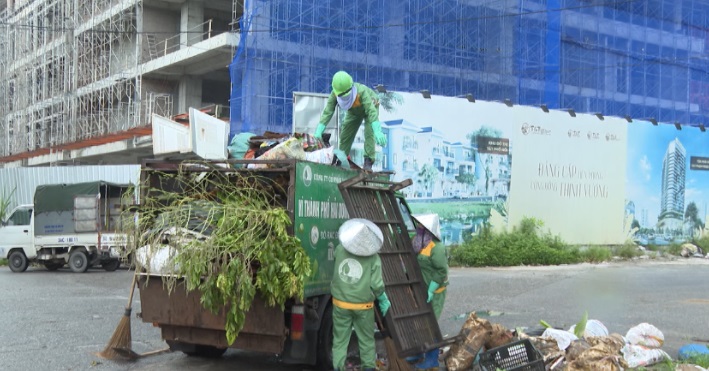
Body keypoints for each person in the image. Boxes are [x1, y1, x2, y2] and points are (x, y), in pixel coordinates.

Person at [331, 218, 391, 371]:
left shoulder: (339, 249)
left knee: (339, 341)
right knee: (366, 341)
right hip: (363, 307)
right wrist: (383, 299)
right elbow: (377, 285)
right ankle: (369, 368)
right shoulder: (373, 258)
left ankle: (338, 368)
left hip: (340, 304)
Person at [313, 71, 387, 170]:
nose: (345, 97)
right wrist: (319, 130)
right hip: (354, 111)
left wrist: (377, 131)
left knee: (369, 133)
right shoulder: (334, 94)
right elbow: (328, 111)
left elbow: (371, 112)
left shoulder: (361, 92)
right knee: (345, 134)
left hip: (371, 107)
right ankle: (342, 159)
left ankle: (368, 161)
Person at [411, 213, 448, 370]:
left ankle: (432, 359)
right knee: (419, 323)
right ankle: (419, 353)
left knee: (431, 325)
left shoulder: (436, 247)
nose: (419, 228)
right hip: (421, 289)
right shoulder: (417, 242)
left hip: (435, 292)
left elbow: (441, 271)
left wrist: (432, 289)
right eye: (418, 225)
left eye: (422, 226)